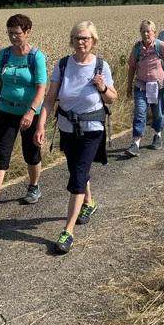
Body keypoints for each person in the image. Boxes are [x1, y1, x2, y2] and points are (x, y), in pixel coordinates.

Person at [35, 21, 117, 254]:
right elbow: (50, 99)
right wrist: (41, 125)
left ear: (93, 41)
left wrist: (102, 88)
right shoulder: (62, 65)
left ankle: (68, 230)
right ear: (72, 40)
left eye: (86, 38)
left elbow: (113, 98)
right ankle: (89, 203)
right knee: (76, 169)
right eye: (78, 38)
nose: (81, 42)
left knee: (79, 174)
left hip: (92, 129)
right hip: (67, 128)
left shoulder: (101, 66)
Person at [0, 14, 47, 220]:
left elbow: (41, 88)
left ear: (27, 32)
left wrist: (31, 111)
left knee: (31, 153)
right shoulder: (5, 54)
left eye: (17, 33)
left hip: (29, 113)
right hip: (6, 110)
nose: (13, 38)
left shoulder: (36, 57)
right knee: (1, 153)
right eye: (10, 33)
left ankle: (34, 187)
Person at [126, 20, 164, 156]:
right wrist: (128, 85)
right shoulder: (137, 48)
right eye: (143, 31)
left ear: (154, 32)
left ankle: (158, 135)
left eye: (148, 31)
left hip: (159, 86)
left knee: (158, 113)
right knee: (139, 113)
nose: (146, 34)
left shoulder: (161, 46)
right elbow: (131, 67)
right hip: (141, 86)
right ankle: (136, 142)